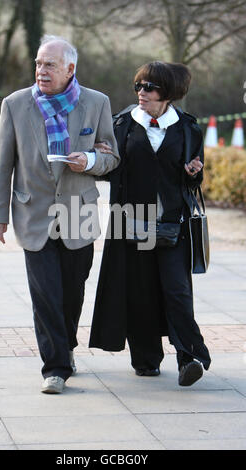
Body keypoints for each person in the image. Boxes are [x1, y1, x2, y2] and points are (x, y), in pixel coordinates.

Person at [0, 35, 120, 394]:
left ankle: (66, 347)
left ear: (70, 69)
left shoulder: (97, 103)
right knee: (45, 294)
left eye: (49, 64)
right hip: (34, 215)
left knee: (72, 293)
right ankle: (55, 367)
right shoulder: (15, 105)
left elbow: (112, 156)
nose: (40, 71)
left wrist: (90, 160)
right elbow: (2, 165)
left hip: (79, 214)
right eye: (38, 63)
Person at [89, 61, 211, 386]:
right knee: (140, 291)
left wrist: (193, 173)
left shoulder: (187, 128)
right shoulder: (122, 125)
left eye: (149, 87)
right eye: (138, 86)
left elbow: (194, 177)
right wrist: (99, 158)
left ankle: (190, 357)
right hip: (130, 224)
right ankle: (146, 359)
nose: (141, 93)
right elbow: (110, 168)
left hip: (173, 224)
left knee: (177, 291)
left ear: (168, 93)